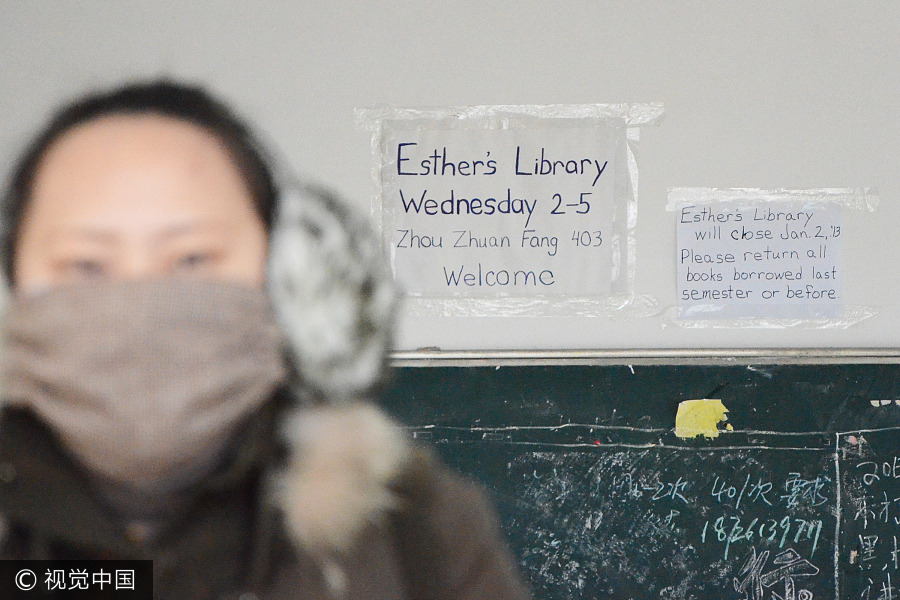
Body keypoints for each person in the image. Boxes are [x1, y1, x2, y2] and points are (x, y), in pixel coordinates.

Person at [0, 80, 532, 600]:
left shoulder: (417, 527)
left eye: (192, 259)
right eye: (86, 265)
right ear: (13, 285)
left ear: (282, 276)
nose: (138, 304)